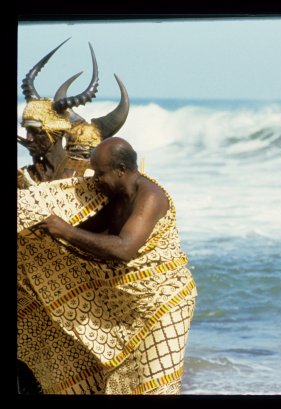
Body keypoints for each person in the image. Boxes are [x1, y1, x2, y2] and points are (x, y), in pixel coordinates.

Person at [17, 137, 197, 394]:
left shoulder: (150, 197)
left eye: (100, 173)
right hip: (129, 304)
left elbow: (124, 249)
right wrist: (40, 228)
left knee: (155, 385)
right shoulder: (112, 196)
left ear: (121, 170)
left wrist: (65, 231)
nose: (95, 179)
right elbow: (91, 232)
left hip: (165, 300)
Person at [18, 38, 129, 189]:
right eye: (27, 131)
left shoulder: (88, 176)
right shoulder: (26, 175)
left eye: (36, 132)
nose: (28, 138)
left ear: (55, 135)